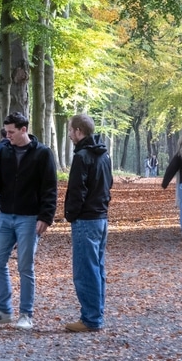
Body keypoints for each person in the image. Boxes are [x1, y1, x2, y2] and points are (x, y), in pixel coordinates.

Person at [0, 112, 58, 331]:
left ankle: (26, 314)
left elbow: (50, 188)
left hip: (30, 218)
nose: (7, 136)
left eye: (11, 132)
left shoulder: (43, 154)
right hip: (5, 216)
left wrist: (46, 217)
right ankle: (4, 310)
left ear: (24, 130)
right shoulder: (3, 152)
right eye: (6, 132)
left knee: (25, 266)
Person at [63, 113, 113, 333]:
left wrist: (71, 215)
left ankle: (91, 318)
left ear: (78, 131)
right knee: (97, 268)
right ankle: (95, 314)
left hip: (86, 219)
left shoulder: (82, 156)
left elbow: (77, 190)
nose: (69, 135)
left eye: (70, 130)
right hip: (101, 218)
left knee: (85, 270)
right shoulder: (104, 155)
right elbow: (108, 184)